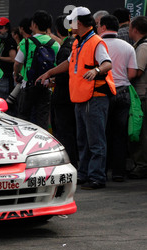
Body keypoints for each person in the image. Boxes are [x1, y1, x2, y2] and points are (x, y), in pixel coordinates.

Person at [37, 7, 116, 190]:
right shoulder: (78, 42)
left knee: (95, 140)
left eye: (72, 22)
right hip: (81, 97)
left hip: (94, 97)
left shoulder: (95, 42)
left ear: (78, 23)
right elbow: (69, 63)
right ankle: (84, 174)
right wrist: (50, 72)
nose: (70, 25)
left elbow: (107, 63)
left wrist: (95, 71)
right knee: (83, 140)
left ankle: (96, 177)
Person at [98, 14, 138, 182]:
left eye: (99, 25)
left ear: (104, 27)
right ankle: (118, 172)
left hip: (102, 94)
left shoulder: (97, 45)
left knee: (102, 133)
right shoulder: (128, 46)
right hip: (123, 93)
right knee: (120, 134)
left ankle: (101, 171)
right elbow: (132, 73)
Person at [13, 10, 60, 130]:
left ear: (34, 25)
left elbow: (17, 63)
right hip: (46, 86)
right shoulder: (55, 44)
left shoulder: (27, 42)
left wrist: (16, 74)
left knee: (24, 116)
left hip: (28, 85)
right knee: (42, 118)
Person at [50, 15, 78, 169]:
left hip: (63, 96)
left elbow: (63, 74)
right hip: (74, 95)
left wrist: (52, 78)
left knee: (64, 131)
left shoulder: (66, 47)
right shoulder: (75, 44)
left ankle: (69, 163)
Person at [128, 15, 147, 179]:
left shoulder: (143, 47)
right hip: (140, 94)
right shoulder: (139, 45)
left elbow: (137, 71)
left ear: (135, 29)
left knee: (141, 132)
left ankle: (141, 166)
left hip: (142, 95)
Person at [0, 17, 18, 109]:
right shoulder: (0, 40)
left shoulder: (10, 41)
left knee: (3, 101)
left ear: (7, 28)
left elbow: (13, 58)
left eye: (1, 28)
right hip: (0, 75)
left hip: (6, 76)